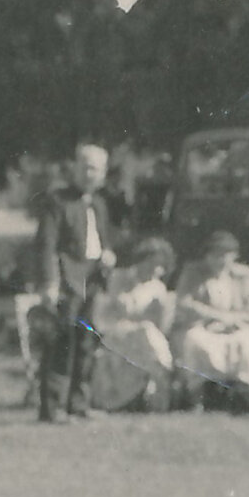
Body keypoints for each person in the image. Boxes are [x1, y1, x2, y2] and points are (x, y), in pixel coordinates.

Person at [34, 144, 122, 422]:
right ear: (74, 168)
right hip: (66, 281)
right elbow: (46, 245)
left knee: (87, 343)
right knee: (61, 341)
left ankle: (79, 403)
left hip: (93, 281)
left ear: (103, 173)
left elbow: (101, 240)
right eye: (84, 166)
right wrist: (49, 283)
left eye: (95, 168)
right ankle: (52, 408)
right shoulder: (57, 201)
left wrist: (108, 254)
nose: (88, 173)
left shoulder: (99, 203)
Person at [172, 230, 249, 412]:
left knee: (248, 340)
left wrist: (232, 319)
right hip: (204, 326)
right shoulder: (193, 272)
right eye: (215, 254)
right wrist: (214, 316)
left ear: (234, 256)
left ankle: (245, 395)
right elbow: (184, 302)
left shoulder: (244, 275)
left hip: (236, 327)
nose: (220, 259)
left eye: (226, 254)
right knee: (194, 340)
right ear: (206, 255)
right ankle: (196, 396)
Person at [89, 236, 176, 412]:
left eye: (160, 266)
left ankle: (153, 393)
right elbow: (120, 307)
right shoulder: (119, 277)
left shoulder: (158, 287)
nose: (156, 269)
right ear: (141, 261)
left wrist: (162, 308)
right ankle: (165, 367)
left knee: (148, 333)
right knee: (147, 333)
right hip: (117, 330)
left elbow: (162, 326)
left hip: (143, 339)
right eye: (152, 263)